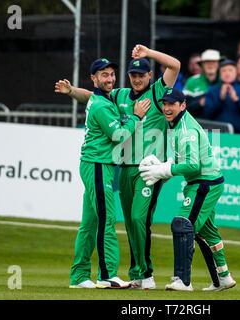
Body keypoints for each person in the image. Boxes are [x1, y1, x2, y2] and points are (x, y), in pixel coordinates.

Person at [57, 45, 181, 290]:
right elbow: (93, 97)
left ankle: (144, 273)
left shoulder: (157, 93)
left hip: (148, 170)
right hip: (122, 167)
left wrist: (149, 54)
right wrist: (72, 92)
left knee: (136, 218)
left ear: (149, 76)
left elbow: (175, 65)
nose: (137, 79)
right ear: (128, 77)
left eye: (142, 75)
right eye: (133, 75)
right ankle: (123, 274)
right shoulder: (120, 95)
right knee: (110, 220)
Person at [138, 88, 236, 292]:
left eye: (171, 104)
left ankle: (183, 280)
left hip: (204, 183)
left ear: (182, 105)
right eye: (164, 104)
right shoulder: (176, 124)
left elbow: (193, 165)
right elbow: (184, 158)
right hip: (205, 181)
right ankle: (223, 278)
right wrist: (163, 166)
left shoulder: (185, 130)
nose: (166, 108)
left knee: (183, 224)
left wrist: (163, 170)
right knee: (205, 232)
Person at [69, 58, 151, 289]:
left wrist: (72, 91)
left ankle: (79, 276)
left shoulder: (104, 99)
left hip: (97, 164)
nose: (110, 79)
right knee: (107, 219)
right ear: (94, 78)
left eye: (112, 74)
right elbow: (119, 136)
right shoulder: (102, 105)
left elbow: (88, 97)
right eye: (104, 75)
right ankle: (106, 275)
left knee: (89, 224)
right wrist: (136, 116)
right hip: (97, 164)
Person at [203, 59, 240, 134]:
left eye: (230, 70)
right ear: (220, 74)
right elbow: (207, 114)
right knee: (214, 145)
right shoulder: (212, 91)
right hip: (216, 134)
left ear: (236, 73)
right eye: (224, 71)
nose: (227, 73)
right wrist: (220, 99)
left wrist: (237, 100)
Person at [183, 49, 222, 117]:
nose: (210, 65)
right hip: (198, 123)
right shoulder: (192, 80)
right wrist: (199, 103)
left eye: (213, 62)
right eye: (207, 62)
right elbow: (182, 106)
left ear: (218, 64)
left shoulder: (224, 81)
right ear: (202, 65)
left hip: (221, 124)